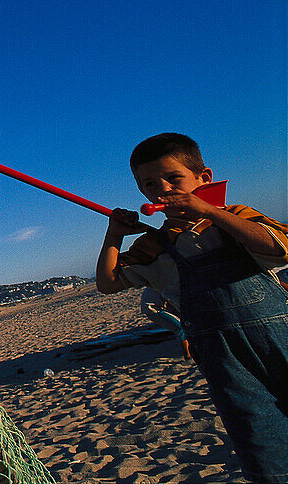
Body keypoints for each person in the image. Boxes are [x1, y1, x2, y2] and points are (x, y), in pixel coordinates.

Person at [96, 132, 288, 482]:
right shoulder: (153, 245)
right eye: (149, 183)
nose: (162, 189)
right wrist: (114, 235)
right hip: (225, 362)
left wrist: (208, 211)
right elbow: (108, 283)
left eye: (173, 178)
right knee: (263, 446)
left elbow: (280, 248)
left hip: (281, 338)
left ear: (204, 178)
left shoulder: (234, 218)